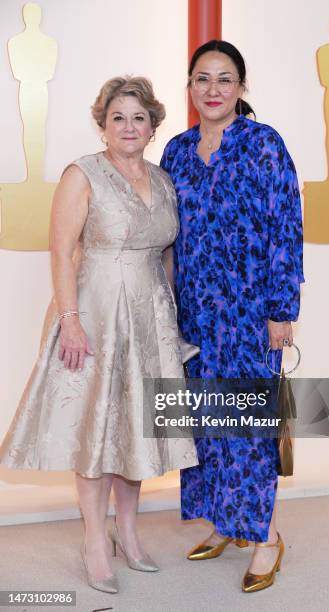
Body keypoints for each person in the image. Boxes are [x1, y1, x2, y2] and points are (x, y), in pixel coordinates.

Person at [0, 76, 198, 594]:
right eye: (118, 118)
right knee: (95, 431)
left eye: (139, 117)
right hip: (94, 317)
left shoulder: (163, 179)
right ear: (103, 124)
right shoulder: (81, 174)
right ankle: (94, 540)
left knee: (137, 429)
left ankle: (128, 535)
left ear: (153, 125)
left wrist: (172, 323)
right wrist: (69, 319)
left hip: (150, 317)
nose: (129, 127)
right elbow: (62, 251)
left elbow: (168, 255)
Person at [160, 40, 304, 593]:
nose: (213, 89)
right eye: (202, 78)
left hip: (248, 312)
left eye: (225, 79)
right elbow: (169, 236)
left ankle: (264, 536)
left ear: (241, 87)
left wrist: (280, 311)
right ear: (190, 87)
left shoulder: (265, 145)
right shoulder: (175, 151)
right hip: (194, 311)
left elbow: (286, 230)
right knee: (205, 426)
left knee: (246, 428)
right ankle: (228, 523)